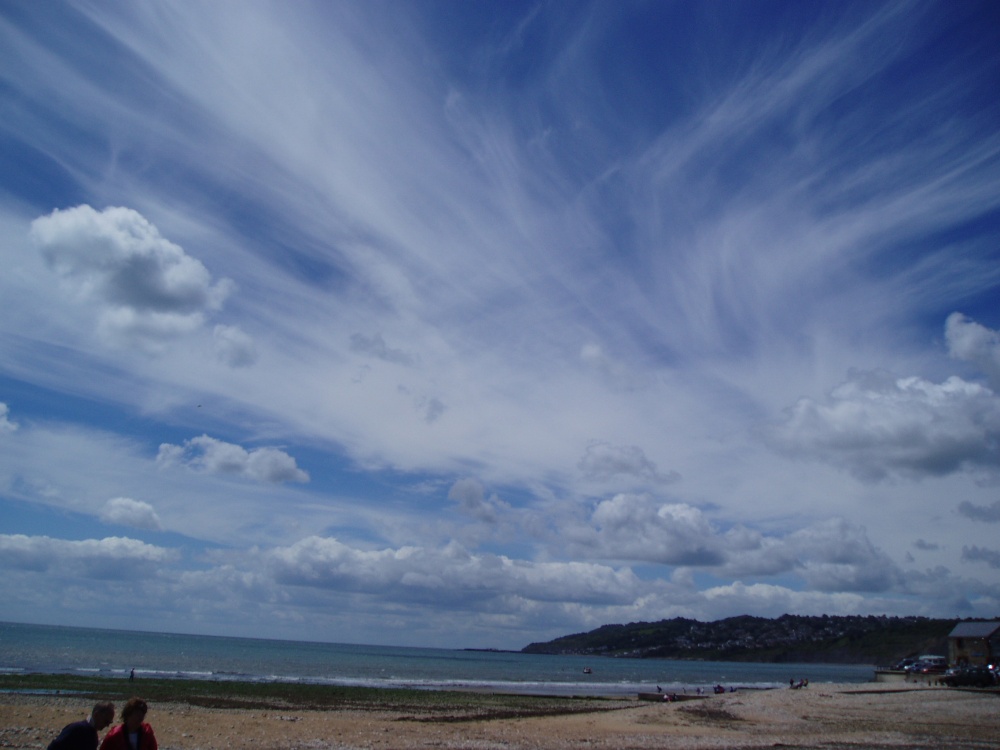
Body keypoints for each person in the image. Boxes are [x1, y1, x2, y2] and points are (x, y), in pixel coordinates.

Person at [47, 702, 115, 750]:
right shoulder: (78, 728)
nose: (107, 725)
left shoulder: (90, 732)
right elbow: (54, 746)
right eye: (106, 721)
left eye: (109, 722)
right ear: (96, 715)